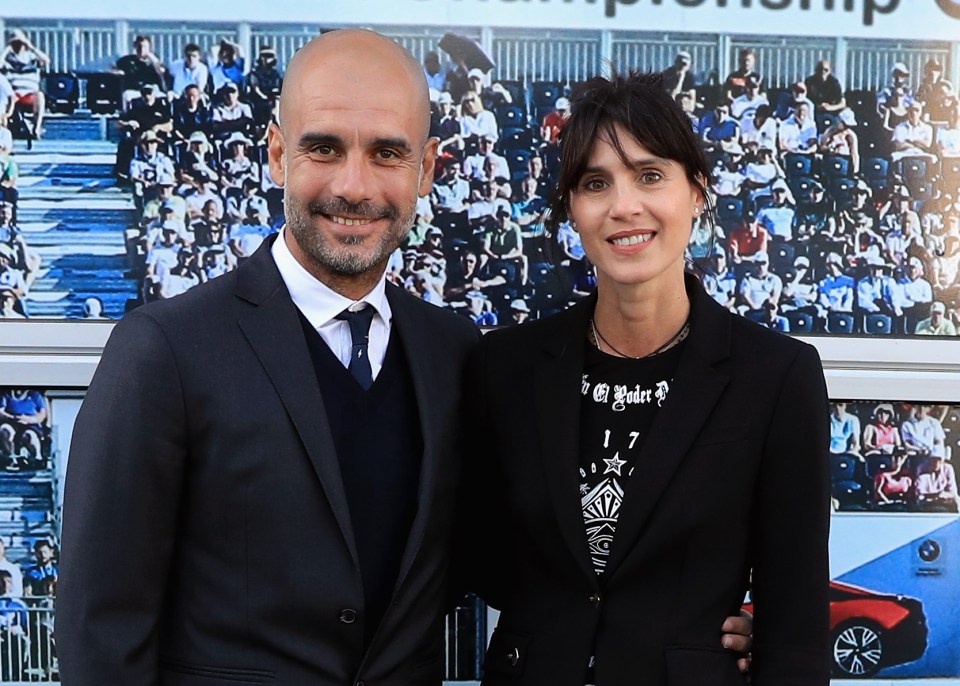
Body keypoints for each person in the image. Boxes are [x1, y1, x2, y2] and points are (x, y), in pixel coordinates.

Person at [58, 31, 753, 685]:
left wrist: (702, 618)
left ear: (427, 168)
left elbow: (524, 566)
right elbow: (103, 624)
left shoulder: (455, 355)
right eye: (324, 149)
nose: (354, 186)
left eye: (387, 153)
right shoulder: (165, 351)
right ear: (275, 155)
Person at [462, 70, 828, 685]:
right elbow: (481, 559)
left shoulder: (775, 376)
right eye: (595, 183)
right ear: (572, 210)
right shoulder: (507, 367)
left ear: (697, 192)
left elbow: (796, 616)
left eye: (650, 175)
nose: (624, 205)